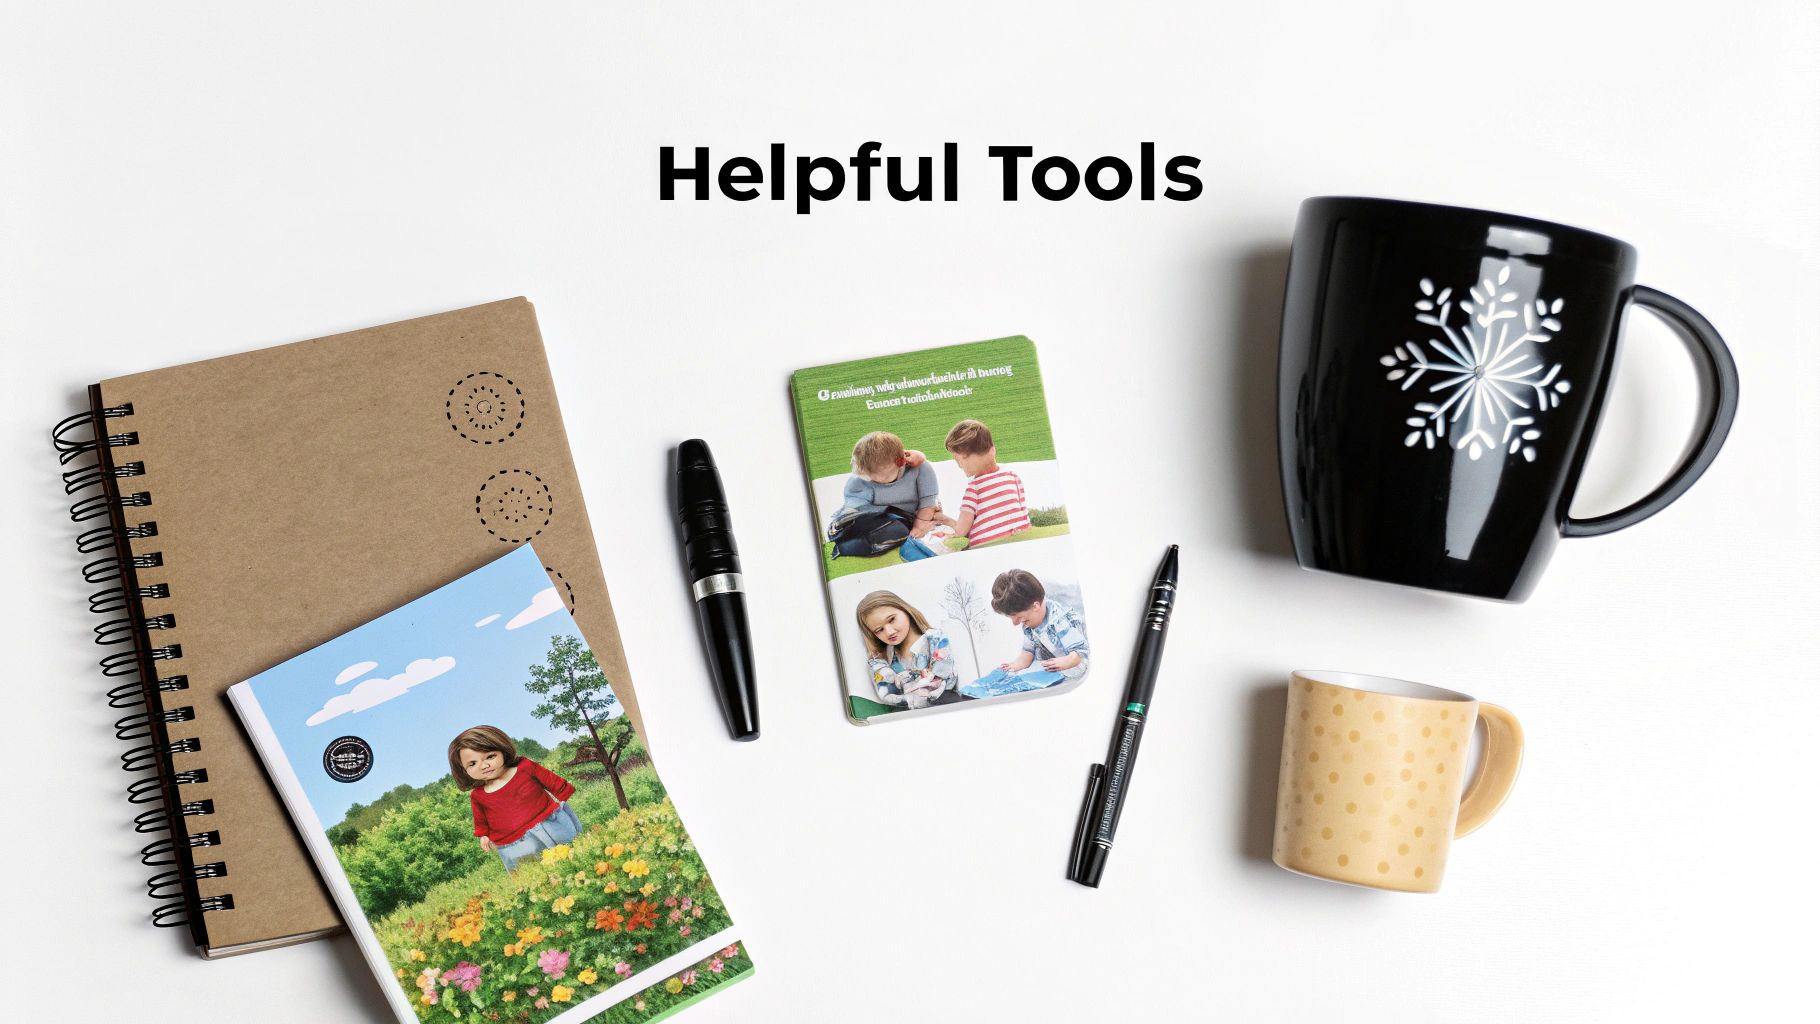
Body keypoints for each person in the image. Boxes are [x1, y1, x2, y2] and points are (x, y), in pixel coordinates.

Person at [448, 725, 581, 872]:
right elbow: (481, 820)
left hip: (549, 824)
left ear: (502, 751)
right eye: (472, 764)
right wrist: (484, 835)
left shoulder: (524, 767)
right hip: (515, 844)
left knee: (572, 853)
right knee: (534, 873)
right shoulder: (478, 795)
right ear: (463, 770)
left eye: (490, 756)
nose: (484, 765)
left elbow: (549, 780)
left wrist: (565, 792)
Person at [829, 431, 949, 540]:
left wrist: (920, 524)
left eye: (872, 476)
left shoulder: (920, 469)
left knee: (935, 515)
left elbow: (928, 499)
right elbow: (856, 506)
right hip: (883, 514)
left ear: (900, 463)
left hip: (920, 511)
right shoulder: (860, 480)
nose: (867, 479)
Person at [854, 590, 961, 709]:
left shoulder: (936, 639)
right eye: (879, 630)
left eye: (891, 619)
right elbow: (888, 694)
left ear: (905, 610)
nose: (889, 632)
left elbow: (943, 681)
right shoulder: (881, 659)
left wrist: (902, 682)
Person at [943, 418, 1031, 547]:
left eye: (958, 459)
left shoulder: (974, 488)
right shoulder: (1013, 477)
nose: (960, 466)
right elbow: (1023, 512)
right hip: (1020, 538)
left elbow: (961, 530)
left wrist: (948, 527)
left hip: (985, 545)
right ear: (992, 450)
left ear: (966, 456)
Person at [990, 569, 1090, 682]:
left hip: (1077, 667)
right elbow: (1027, 653)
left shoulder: (1059, 620)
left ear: (1036, 606)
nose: (1015, 623)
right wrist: (1016, 665)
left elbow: (1079, 653)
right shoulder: (1029, 625)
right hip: (1054, 665)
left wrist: (1066, 661)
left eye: (1019, 618)